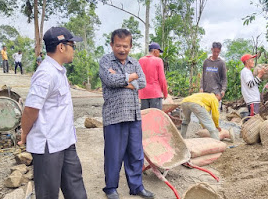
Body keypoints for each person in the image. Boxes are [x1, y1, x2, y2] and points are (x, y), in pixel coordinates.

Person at [18, 27, 87, 199]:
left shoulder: (59, 71)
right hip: (48, 146)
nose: (74, 49)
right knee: (48, 193)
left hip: (65, 141)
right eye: (72, 45)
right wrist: (25, 133)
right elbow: (30, 109)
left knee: (76, 189)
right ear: (61, 47)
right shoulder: (46, 74)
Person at [99, 29, 154, 199]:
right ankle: (111, 189)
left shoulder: (134, 62)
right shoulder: (105, 61)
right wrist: (131, 78)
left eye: (125, 46)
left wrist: (124, 79)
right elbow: (109, 79)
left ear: (130, 46)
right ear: (111, 45)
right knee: (114, 155)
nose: (121, 49)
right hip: (114, 115)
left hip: (134, 115)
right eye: (118, 45)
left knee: (135, 154)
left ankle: (137, 186)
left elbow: (143, 82)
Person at [138, 42, 168, 110]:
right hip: (155, 94)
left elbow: (138, 77)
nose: (159, 54)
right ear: (155, 51)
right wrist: (165, 93)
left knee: (145, 117)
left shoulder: (140, 60)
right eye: (159, 51)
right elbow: (162, 79)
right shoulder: (158, 61)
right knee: (156, 117)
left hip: (143, 94)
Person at [200, 42, 227, 106]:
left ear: (220, 51)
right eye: (214, 51)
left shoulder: (221, 63)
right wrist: (201, 87)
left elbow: (224, 78)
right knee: (205, 112)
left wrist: (223, 90)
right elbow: (203, 75)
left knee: (215, 112)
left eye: (218, 52)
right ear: (212, 49)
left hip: (216, 91)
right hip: (206, 91)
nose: (216, 54)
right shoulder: (206, 62)